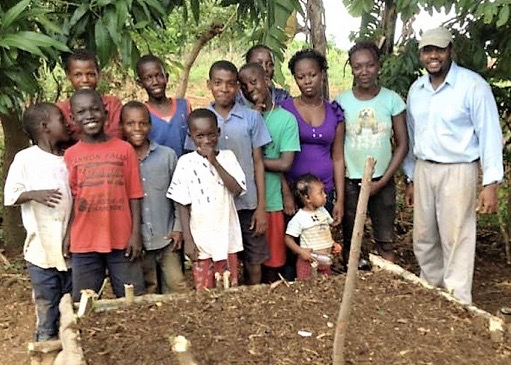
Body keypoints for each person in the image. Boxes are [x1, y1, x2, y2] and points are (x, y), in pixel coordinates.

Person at [403, 27, 504, 304]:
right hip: (424, 168)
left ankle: (457, 300)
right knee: (424, 236)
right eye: (427, 50)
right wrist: (411, 176)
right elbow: (413, 135)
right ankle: (431, 294)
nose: (433, 56)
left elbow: (490, 134)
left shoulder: (472, 86)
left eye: (439, 49)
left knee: (456, 236)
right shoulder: (417, 90)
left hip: (458, 169)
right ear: (421, 54)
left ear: (450, 50)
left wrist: (490, 183)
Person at [184, 60, 272, 285]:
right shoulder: (201, 119)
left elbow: (258, 162)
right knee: (221, 259)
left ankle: (255, 300)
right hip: (214, 208)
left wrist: (261, 207)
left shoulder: (251, 118)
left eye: (231, 84)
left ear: (238, 87)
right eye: (218, 83)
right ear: (209, 85)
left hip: (247, 202)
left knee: (254, 259)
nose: (224, 89)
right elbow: (192, 163)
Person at [64, 89, 145, 301]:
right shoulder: (71, 155)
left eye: (94, 109)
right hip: (84, 241)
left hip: (122, 240)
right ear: (73, 119)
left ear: (106, 112)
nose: (89, 115)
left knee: (133, 300)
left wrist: (135, 234)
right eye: (81, 112)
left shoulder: (125, 149)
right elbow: (72, 199)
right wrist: (67, 235)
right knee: (84, 303)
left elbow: (134, 194)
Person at [335, 41, 408, 267]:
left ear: (378, 66)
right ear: (352, 68)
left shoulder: (392, 100)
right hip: (351, 181)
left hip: (382, 181)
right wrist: (340, 191)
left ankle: (386, 283)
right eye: (358, 67)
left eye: (369, 65)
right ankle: (351, 288)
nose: (364, 72)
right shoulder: (341, 102)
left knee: (385, 240)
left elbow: (402, 144)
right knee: (351, 240)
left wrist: (384, 179)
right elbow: (337, 149)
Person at [4, 103, 72, 341]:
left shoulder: (69, 157)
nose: (67, 123)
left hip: (70, 246)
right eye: (61, 120)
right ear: (45, 127)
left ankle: (70, 344)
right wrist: (35, 194)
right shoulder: (26, 159)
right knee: (46, 300)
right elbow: (10, 196)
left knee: (70, 301)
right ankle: (45, 339)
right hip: (40, 250)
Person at [280, 49, 345, 278]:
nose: (307, 81)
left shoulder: (334, 112)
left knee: (319, 249)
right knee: (292, 250)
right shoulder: (286, 110)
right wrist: (286, 193)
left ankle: (317, 298)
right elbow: (277, 153)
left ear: (322, 75)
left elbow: (338, 157)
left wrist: (338, 199)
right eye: (301, 76)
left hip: (322, 194)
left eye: (312, 74)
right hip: (294, 194)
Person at [168, 109, 246, 290]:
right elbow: (182, 203)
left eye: (211, 135)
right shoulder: (186, 163)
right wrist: (188, 239)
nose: (206, 141)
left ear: (218, 132)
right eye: (200, 136)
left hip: (227, 236)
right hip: (201, 239)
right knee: (205, 290)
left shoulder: (228, 157)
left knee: (228, 285)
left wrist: (215, 162)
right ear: (191, 136)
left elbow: (236, 189)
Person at [238, 63, 300, 282]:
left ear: (266, 79)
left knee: (273, 263)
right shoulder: (241, 117)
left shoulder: (286, 120)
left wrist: (253, 160)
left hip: (272, 200)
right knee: (250, 262)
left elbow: (285, 163)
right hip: (244, 201)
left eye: (254, 81)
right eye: (244, 86)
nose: (250, 88)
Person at [120, 101, 187, 294]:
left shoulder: (167, 156)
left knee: (177, 286)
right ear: (122, 127)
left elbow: (178, 196)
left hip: (167, 237)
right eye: (130, 124)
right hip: (138, 241)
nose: (137, 129)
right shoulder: (120, 160)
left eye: (143, 123)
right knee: (148, 289)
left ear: (150, 125)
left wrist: (178, 228)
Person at [57, 49, 122, 141]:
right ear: (68, 75)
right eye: (78, 75)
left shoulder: (112, 104)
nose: (85, 80)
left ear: (98, 74)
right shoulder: (62, 109)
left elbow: (116, 135)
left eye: (90, 74)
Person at [136, 54, 191, 157]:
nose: (155, 82)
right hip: (157, 171)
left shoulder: (184, 106)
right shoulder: (141, 113)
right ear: (140, 83)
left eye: (159, 75)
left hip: (187, 170)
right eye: (148, 78)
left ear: (167, 77)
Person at [285, 174, 336, 280]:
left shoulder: (323, 211)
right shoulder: (299, 218)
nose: (325, 195)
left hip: (325, 260)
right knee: (307, 288)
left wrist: (332, 243)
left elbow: (324, 229)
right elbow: (288, 239)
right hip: (308, 262)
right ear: (307, 198)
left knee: (326, 287)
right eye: (321, 192)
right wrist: (301, 251)